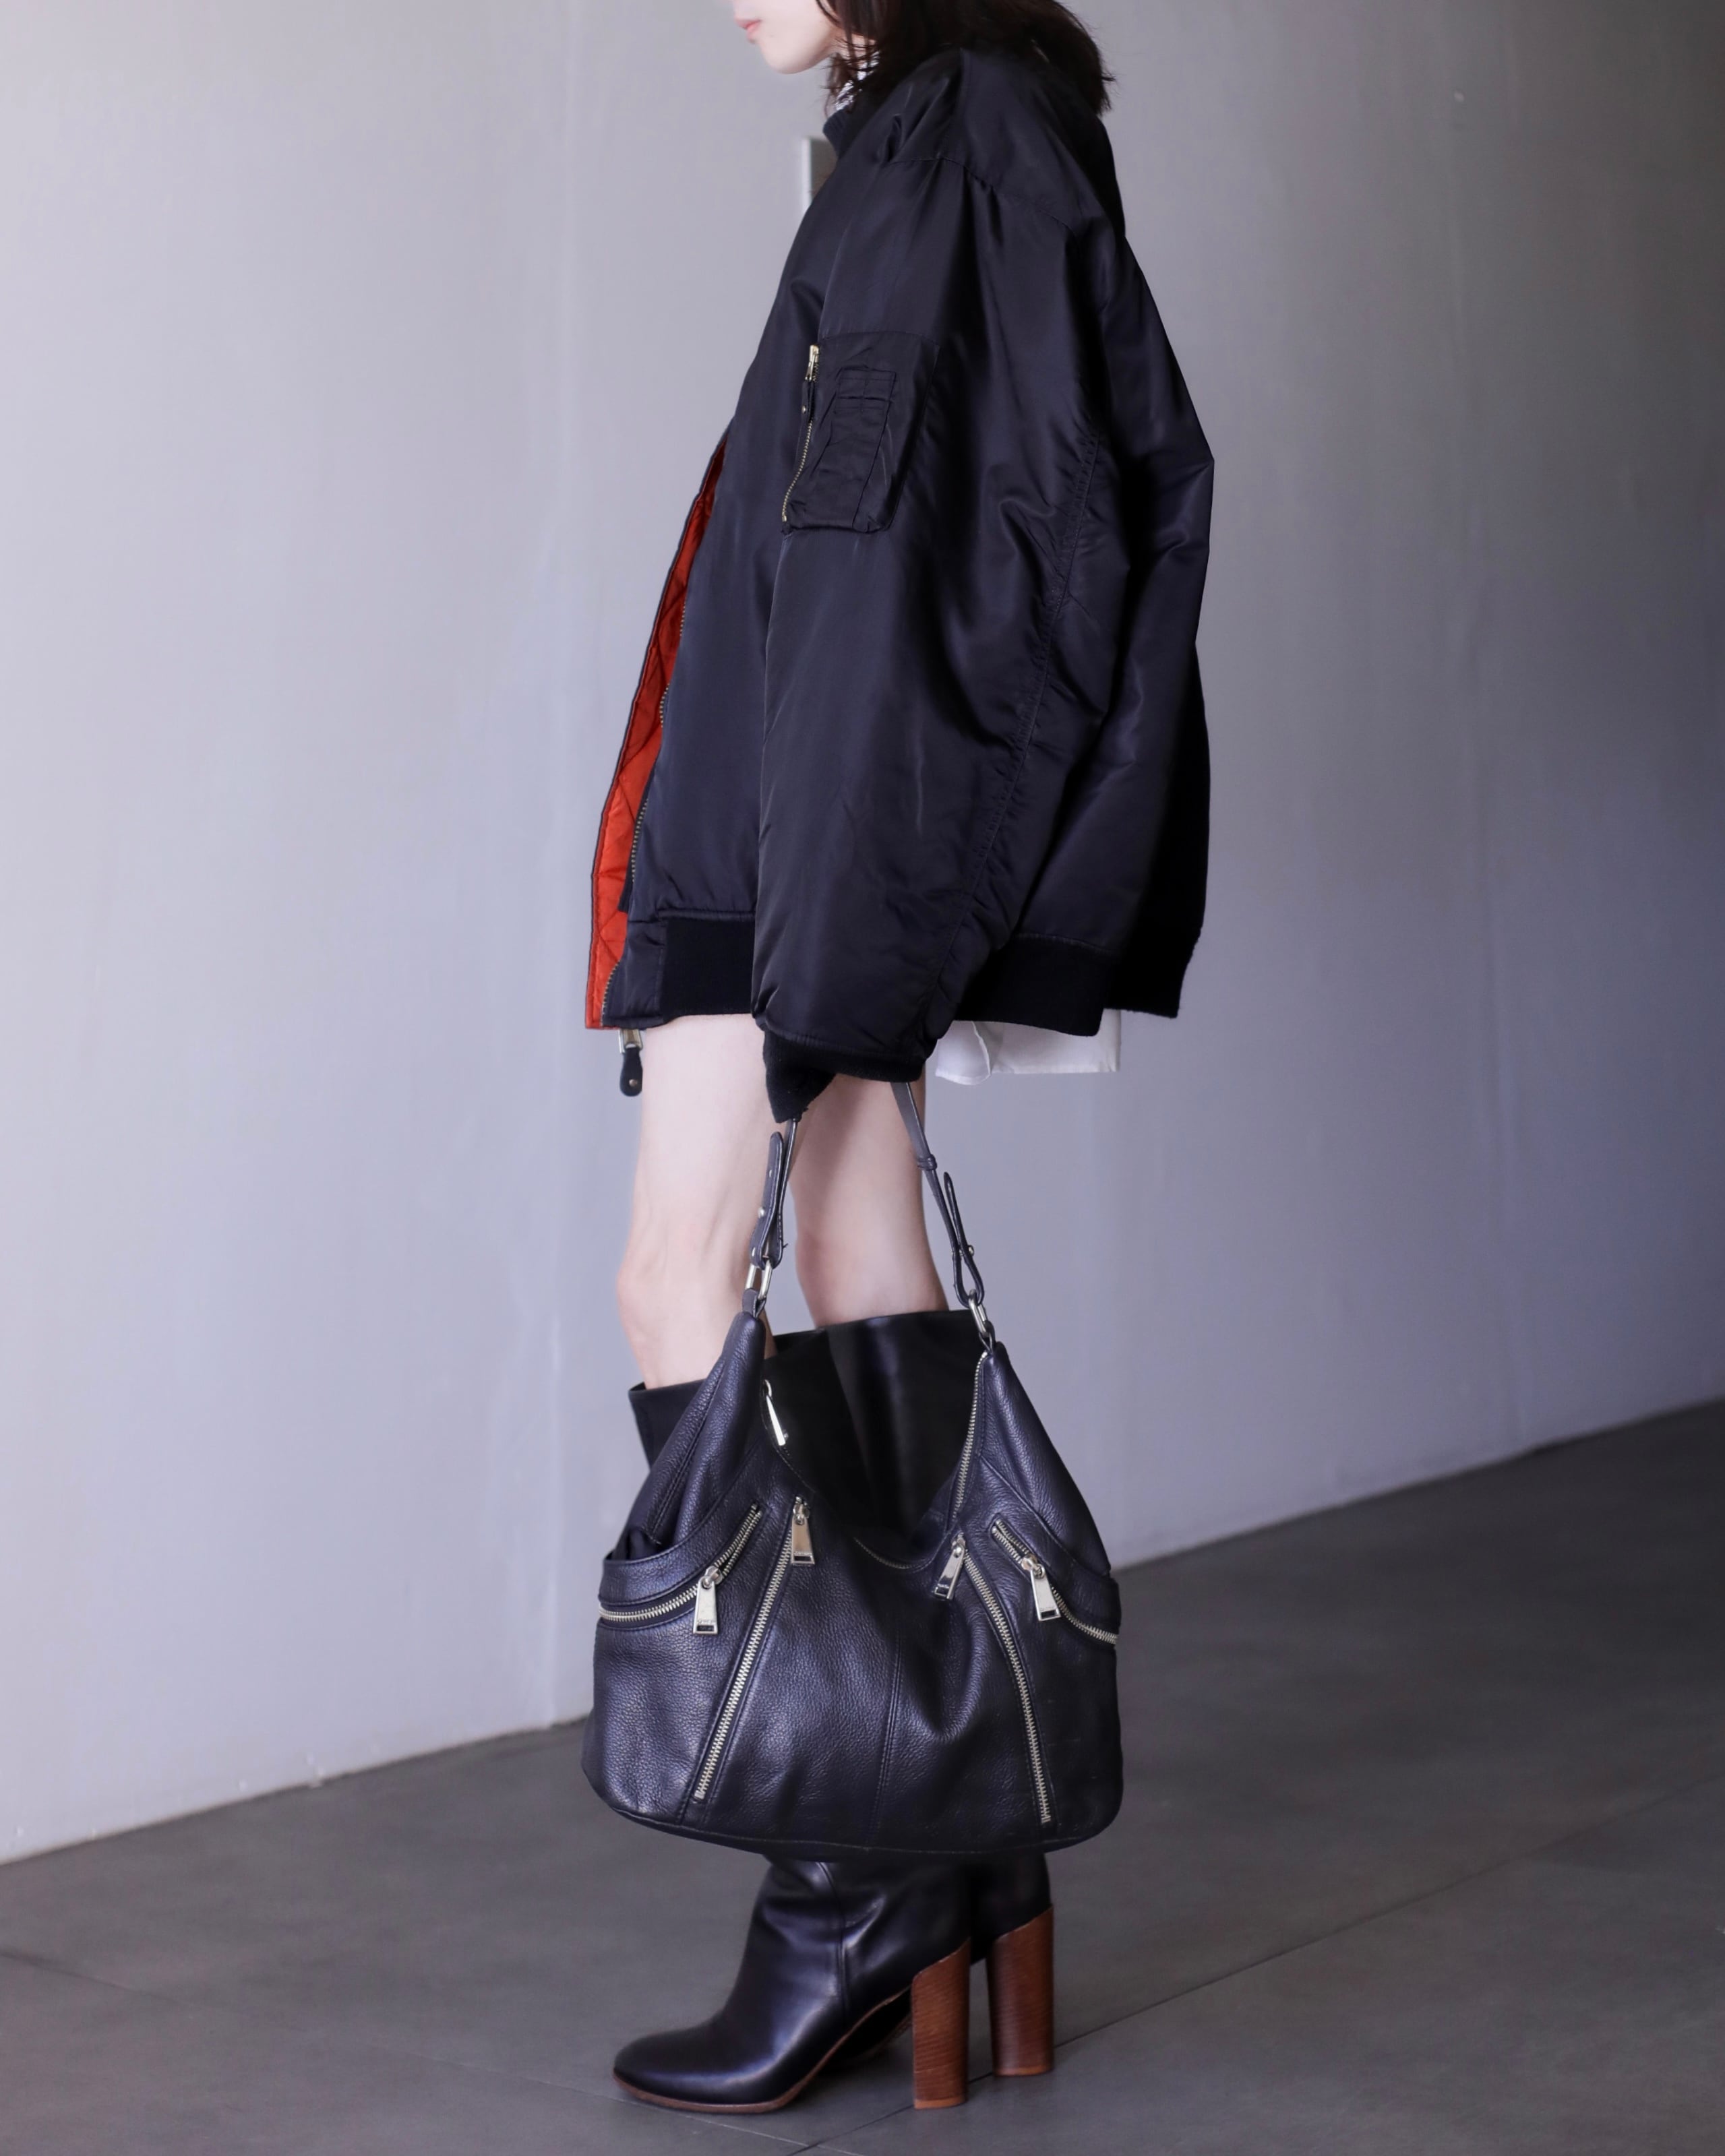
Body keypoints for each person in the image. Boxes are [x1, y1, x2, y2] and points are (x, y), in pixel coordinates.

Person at [588, 0, 1213, 2113]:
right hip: (821, 839)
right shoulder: (950, 132)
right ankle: (959, 1832)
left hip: (801, 851)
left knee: (679, 1280)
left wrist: (833, 930)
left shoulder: (953, 148)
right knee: (854, 1256)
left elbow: (951, 556)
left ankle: (857, 1877)